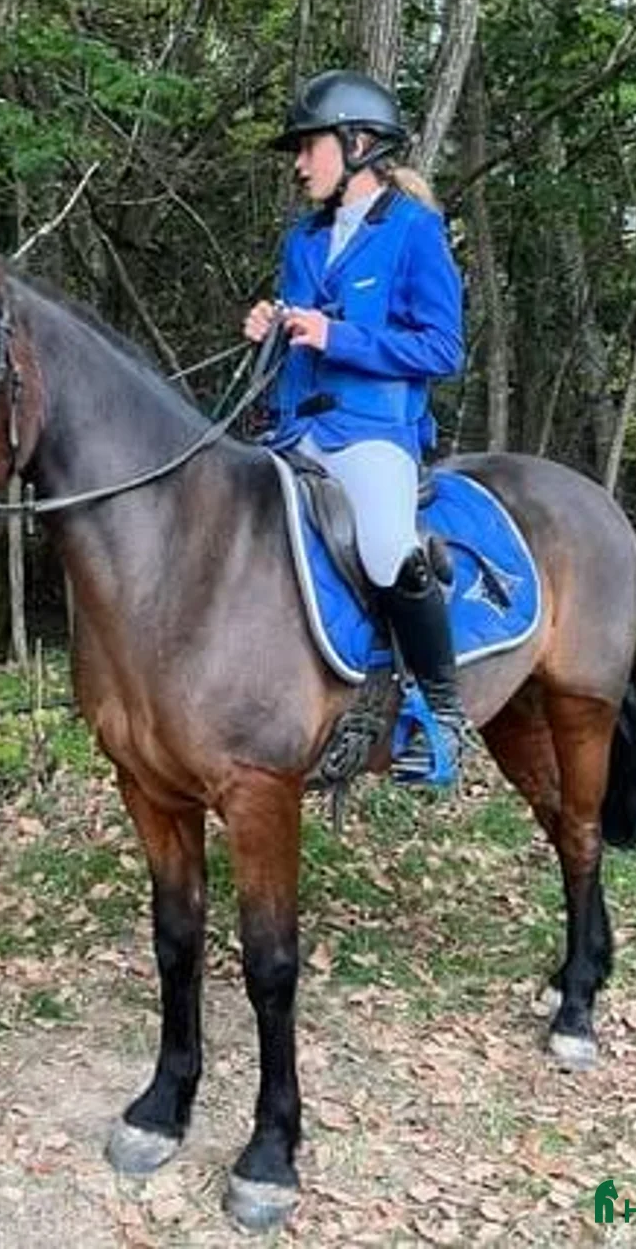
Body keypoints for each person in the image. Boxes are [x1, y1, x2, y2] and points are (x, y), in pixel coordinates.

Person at [244, 68, 466, 777]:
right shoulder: (303, 239)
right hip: (292, 432)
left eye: (310, 147)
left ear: (359, 143)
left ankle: (442, 711)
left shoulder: (414, 232)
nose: (301, 163)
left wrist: (336, 338)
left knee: (383, 547)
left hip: (373, 434)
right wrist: (272, 326)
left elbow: (443, 347)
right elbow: (300, 324)